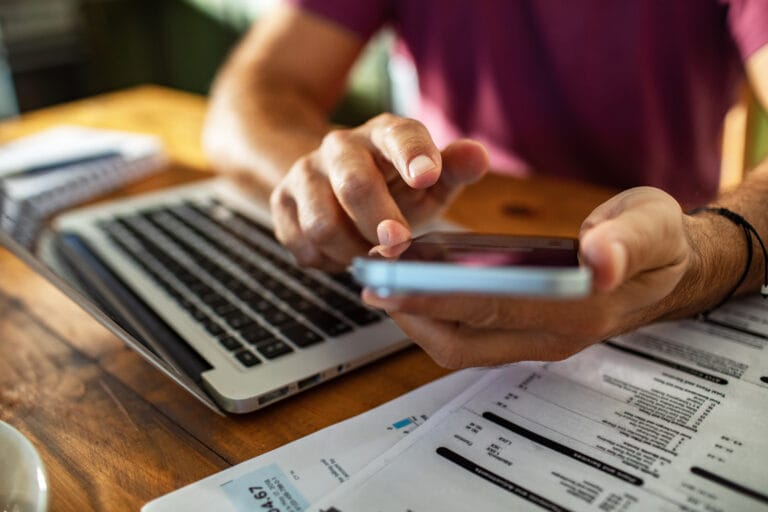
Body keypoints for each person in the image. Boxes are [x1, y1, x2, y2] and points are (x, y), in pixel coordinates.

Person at [202, 1, 768, 369]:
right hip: (427, 281)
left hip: (667, 289)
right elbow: (250, 95)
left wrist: (701, 255)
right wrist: (332, 183)